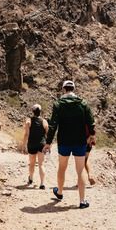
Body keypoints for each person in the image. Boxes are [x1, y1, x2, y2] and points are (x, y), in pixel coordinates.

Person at [43, 80, 96, 209]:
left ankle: (60, 192)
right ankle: (82, 201)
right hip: (80, 141)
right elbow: (91, 121)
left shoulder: (58, 104)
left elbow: (53, 124)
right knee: (80, 170)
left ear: (63, 89)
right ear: (74, 89)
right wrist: (92, 136)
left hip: (64, 141)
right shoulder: (83, 103)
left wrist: (48, 142)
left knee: (62, 167)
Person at [22, 104, 49, 189]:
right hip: (42, 145)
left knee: (32, 164)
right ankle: (42, 183)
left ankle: (31, 178)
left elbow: (26, 134)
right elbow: (47, 134)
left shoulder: (28, 121)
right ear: (40, 112)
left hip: (32, 145)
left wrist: (23, 146)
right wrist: (49, 145)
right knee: (41, 164)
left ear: (32, 111)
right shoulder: (44, 122)